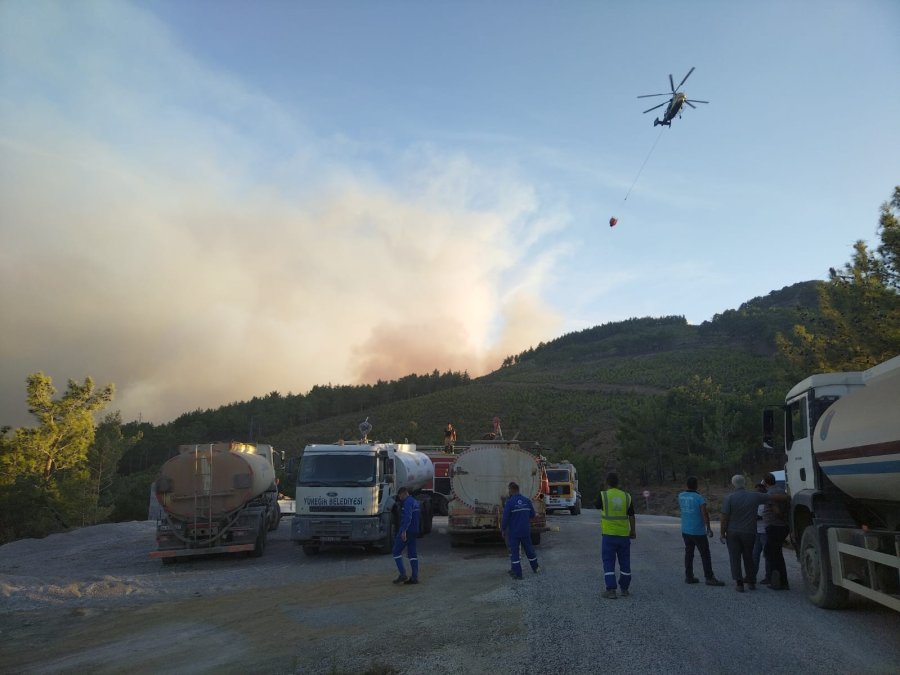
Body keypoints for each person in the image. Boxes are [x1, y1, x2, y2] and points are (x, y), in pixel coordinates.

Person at [720, 474, 788, 592]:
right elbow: (772, 497)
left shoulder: (729, 498)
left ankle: (739, 583)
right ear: (744, 483)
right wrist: (787, 497)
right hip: (749, 532)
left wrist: (722, 533)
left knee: (734, 557)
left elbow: (724, 518)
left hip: (733, 532)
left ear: (733, 484)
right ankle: (751, 582)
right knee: (749, 557)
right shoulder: (754, 496)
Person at [677, 476, 725, 586]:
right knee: (705, 554)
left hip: (685, 529)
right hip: (698, 531)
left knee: (689, 553)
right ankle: (709, 577)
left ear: (687, 485)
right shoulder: (699, 497)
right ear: (696, 485)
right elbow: (705, 513)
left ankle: (689, 576)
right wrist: (708, 528)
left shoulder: (681, 496)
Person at [596, 472, 636, 599]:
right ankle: (624, 589)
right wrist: (633, 531)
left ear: (607, 483)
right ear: (618, 483)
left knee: (608, 562)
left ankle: (611, 590)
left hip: (608, 535)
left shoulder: (603, 495)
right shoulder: (626, 496)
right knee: (625, 562)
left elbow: (597, 506)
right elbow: (631, 515)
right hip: (624, 536)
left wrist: (603, 488)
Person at [501, 482, 540, 579]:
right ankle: (536, 568)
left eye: (508, 490)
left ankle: (518, 574)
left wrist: (503, 529)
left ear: (511, 490)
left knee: (514, 552)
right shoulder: (526, 500)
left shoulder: (509, 503)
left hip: (514, 532)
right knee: (529, 550)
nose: (508, 492)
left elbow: (505, 518)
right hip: (525, 531)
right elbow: (532, 515)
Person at [762, 472, 791, 590]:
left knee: (772, 554)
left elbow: (776, 510)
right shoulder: (781, 491)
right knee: (775, 552)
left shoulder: (770, 494)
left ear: (765, 482)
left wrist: (780, 517)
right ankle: (780, 580)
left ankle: (777, 580)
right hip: (781, 526)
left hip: (774, 526)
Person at [391, 487, 421, 585]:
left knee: (396, 551)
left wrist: (403, 530)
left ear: (404, 493)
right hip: (414, 530)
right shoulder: (415, 502)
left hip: (407, 531)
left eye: (400, 496)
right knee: (412, 554)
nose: (400, 498)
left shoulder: (407, 502)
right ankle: (414, 577)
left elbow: (408, 517)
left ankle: (403, 574)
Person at [751, 482, 771, 586]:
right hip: (757, 532)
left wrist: (754, 517)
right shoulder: (756, 503)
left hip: (765, 532)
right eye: (756, 491)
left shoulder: (766, 503)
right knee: (755, 555)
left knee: (767, 555)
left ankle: (769, 577)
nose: (757, 493)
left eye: (759, 490)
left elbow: (765, 516)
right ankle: (752, 576)